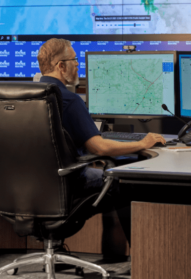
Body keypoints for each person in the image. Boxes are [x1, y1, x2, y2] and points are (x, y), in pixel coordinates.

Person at [36, 38, 166, 249]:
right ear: (61, 66)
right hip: (67, 183)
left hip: (31, 188)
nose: (78, 64)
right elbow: (99, 147)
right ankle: (141, 256)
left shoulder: (29, 96)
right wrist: (143, 142)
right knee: (125, 182)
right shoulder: (68, 100)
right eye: (74, 60)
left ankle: (72, 251)